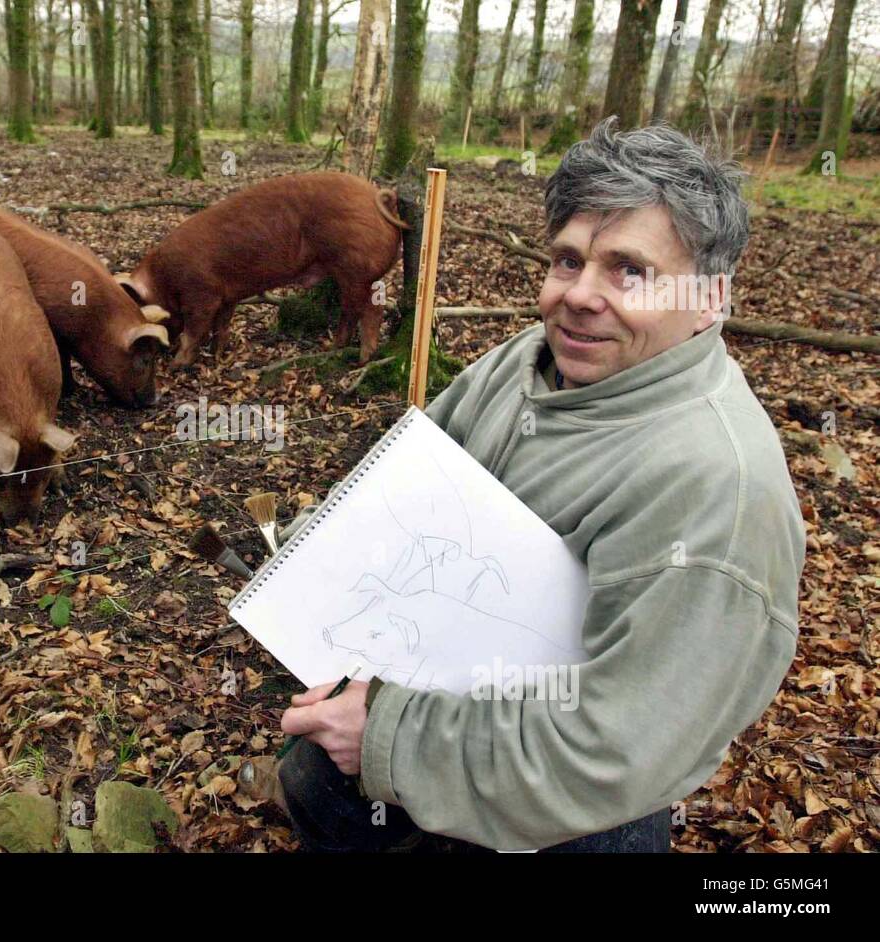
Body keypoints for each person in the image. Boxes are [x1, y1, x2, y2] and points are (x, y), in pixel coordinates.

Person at [244, 119, 806, 853]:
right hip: (430, 694)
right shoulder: (534, 360)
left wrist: (390, 736)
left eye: (628, 271)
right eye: (568, 260)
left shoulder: (715, 491)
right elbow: (413, 486)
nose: (579, 296)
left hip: (568, 807)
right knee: (318, 794)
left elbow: (612, 753)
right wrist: (311, 556)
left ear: (709, 299)